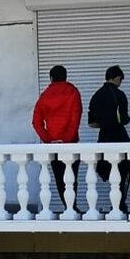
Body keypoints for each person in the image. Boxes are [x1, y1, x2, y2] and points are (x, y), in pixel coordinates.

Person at [31, 65, 82, 210]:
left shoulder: (45, 95)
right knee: (72, 178)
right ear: (65, 77)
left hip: (53, 145)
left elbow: (36, 122)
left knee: (60, 178)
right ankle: (73, 207)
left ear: (51, 78)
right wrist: (67, 138)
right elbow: (75, 118)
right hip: (71, 143)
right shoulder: (73, 92)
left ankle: (68, 207)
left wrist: (48, 139)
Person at [87, 65, 130, 215]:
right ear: (117, 78)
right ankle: (120, 204)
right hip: (120, 136)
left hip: (104, 137)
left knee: (108, 170)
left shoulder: (96, 96)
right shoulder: (119, 95)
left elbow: (91, 123)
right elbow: (124, 119)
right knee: (125, 170)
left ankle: (115, 205)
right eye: (121, 80)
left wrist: (104, 123)